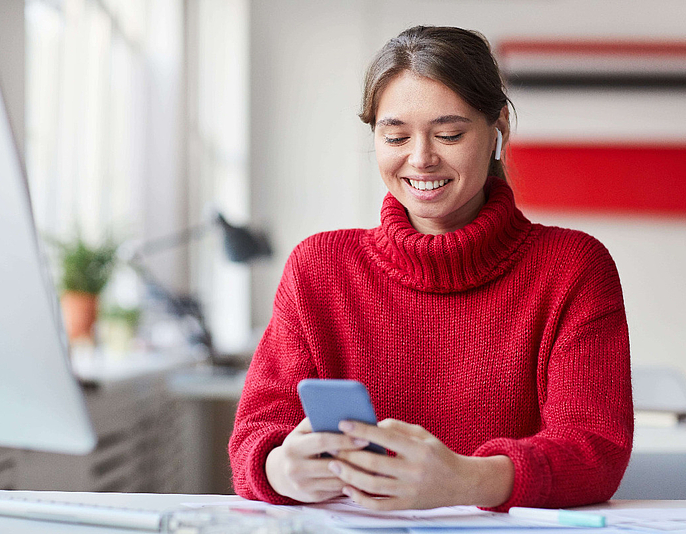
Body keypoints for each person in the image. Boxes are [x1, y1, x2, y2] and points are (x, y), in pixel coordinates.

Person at [229, 25, 633, 512]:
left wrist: (467, 480)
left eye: (449, 134)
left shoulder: (572, 267)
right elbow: (255, 435)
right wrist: (279, 469)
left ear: (497, 130)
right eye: (395, 135)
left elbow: (595, 449)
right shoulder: (318, 268)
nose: (421, 159)